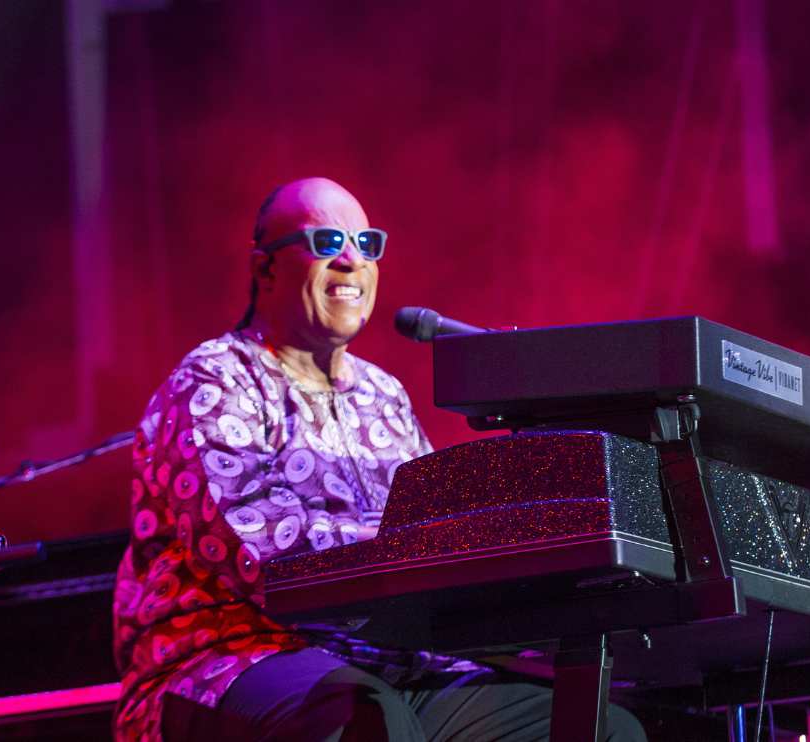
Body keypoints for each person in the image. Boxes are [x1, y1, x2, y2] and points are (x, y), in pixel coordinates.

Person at [111, 178, 646, 741]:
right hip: (233, 656)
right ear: (265, 268)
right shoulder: (214, 378)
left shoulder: (383, 393)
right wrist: (414, 551)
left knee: (596, 726)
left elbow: (433, 526)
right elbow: (254, 550)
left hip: (393, 663)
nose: (351, 260)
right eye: (325, 242)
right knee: (366, 718)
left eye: (366, 243)